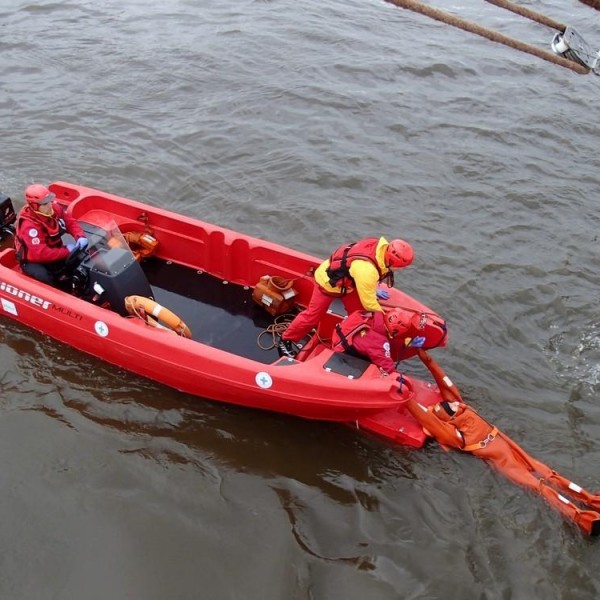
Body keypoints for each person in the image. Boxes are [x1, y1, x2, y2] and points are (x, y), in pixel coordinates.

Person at [407, 350, 600, 536]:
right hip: (506, 464)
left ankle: (592, 499)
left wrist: (426, 358)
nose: (455, 403)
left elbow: (445, 383)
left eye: (452, 403)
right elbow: (428, 420)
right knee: (539, 486)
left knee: (550, 475)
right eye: (450, 406)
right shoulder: (455, 434)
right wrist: (407, 400)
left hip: (513, 449)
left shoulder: (462, 409)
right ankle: (583, 519)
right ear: (447, 417)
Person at [277, 236, 414, 358]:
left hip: (349, 284)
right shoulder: (367, 271)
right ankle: (285, 340)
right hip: (328, 284)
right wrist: (389, 320)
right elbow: (370, 304)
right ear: (393, 261)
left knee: (360, 315)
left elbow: (366, 274)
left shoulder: (378, 246)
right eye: (402, 267)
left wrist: (371, 288)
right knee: (312, 316)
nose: (402, 269)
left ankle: (358, 342)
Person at [14, 183, 88, 287]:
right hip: (34, 260)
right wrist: (66, 251)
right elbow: (41, 253)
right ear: (34, 205)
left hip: (55, 249)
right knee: (45, 277)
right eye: (44, 204)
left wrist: (80, 236)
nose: (49, 205)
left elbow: (70, 222)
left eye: (49, 201)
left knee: (80, 259)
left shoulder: (55, 209)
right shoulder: (29, 227)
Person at [331, 307, 426, 375]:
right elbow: (386, 365)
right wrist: (397, 377)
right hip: (341, 354)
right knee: (378, 371)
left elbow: (375, 339)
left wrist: (405, 343)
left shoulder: (372, 315)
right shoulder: (379, 341)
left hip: (338, 337)